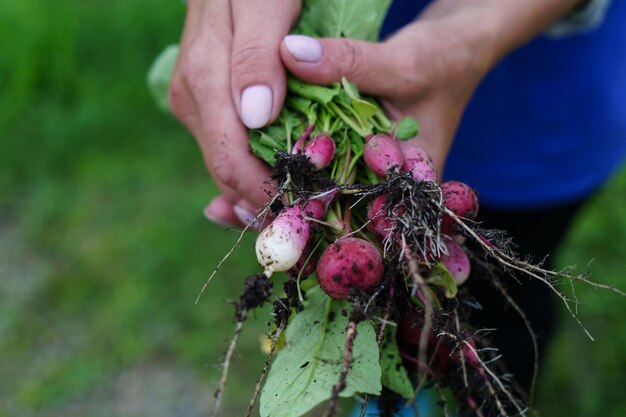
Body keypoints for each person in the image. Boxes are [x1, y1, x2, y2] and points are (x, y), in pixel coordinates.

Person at [169, 0, 626, 413]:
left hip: (544, 111)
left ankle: (478, 395)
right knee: (412, 302)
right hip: (393, 89)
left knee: (502, 300)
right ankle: (403, 392)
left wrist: (472, 32)